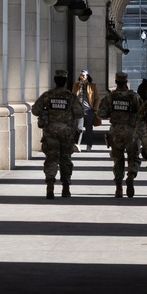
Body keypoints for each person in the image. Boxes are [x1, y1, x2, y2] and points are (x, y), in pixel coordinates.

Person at [32, 70, 84, 198]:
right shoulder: (70, 96)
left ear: (54, 80)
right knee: (65, 159)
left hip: (50, 132)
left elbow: (35, 110)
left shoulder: (47, 95)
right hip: (66, 132)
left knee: (52, 158)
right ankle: (66, 187)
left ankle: (50, 184)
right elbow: (79, 113)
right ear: (65, 81)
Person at [97, 71, 141, 199]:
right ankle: (131, 175)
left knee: (118, 160)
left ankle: (119, 188)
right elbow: (141, 113)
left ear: (116, 82)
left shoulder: (110, 97)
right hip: (131, 132)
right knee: (134, 157)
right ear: (126, 82)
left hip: (116, 132)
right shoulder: (134, 96)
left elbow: (101, 113)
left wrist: (113, 113)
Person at [74, 68, 99, 150]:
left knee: (89, 129)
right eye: (81, 75)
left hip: (89, 110)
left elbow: (97, 98)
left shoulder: (92, 86)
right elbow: (73, 97)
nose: (82, 77)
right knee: (79, 128)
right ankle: (77, 144)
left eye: (83, 75)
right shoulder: (76, 86)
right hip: (79, 110)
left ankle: (89, 145)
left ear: (87, 76)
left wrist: (94, 109)